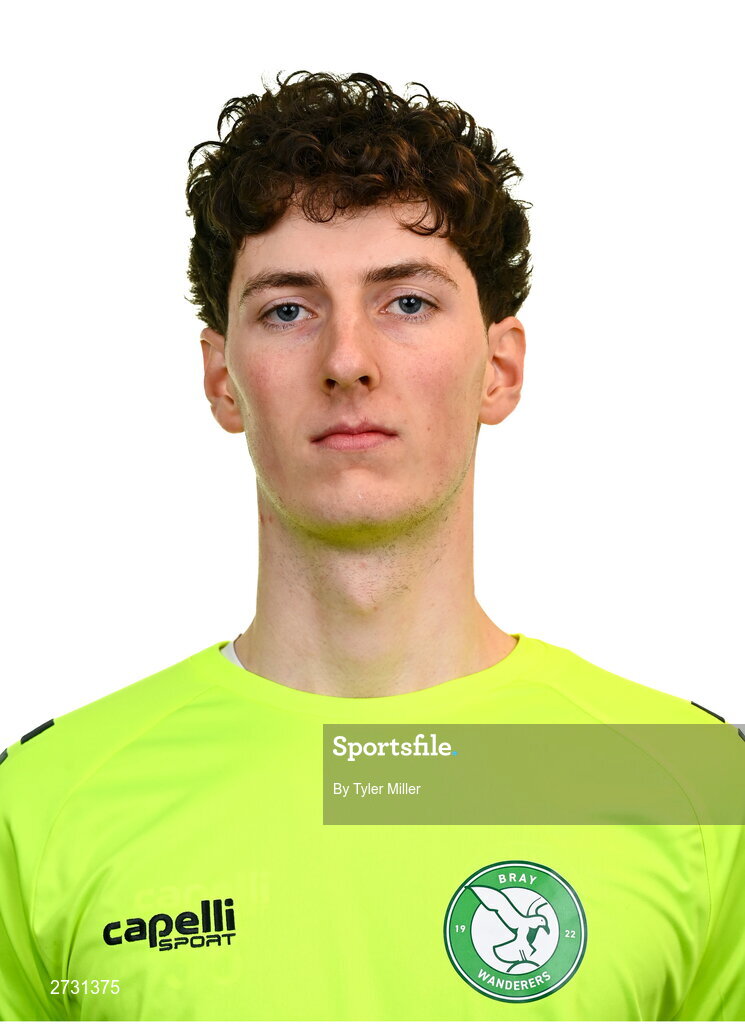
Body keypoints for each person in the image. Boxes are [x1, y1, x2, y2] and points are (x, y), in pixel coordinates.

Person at [0, 70, 743, 1023]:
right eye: (287, 309)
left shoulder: (686, 783)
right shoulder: (48, 803)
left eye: (406, 303)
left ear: (499, 369)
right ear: (223, 380)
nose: (347, 359)